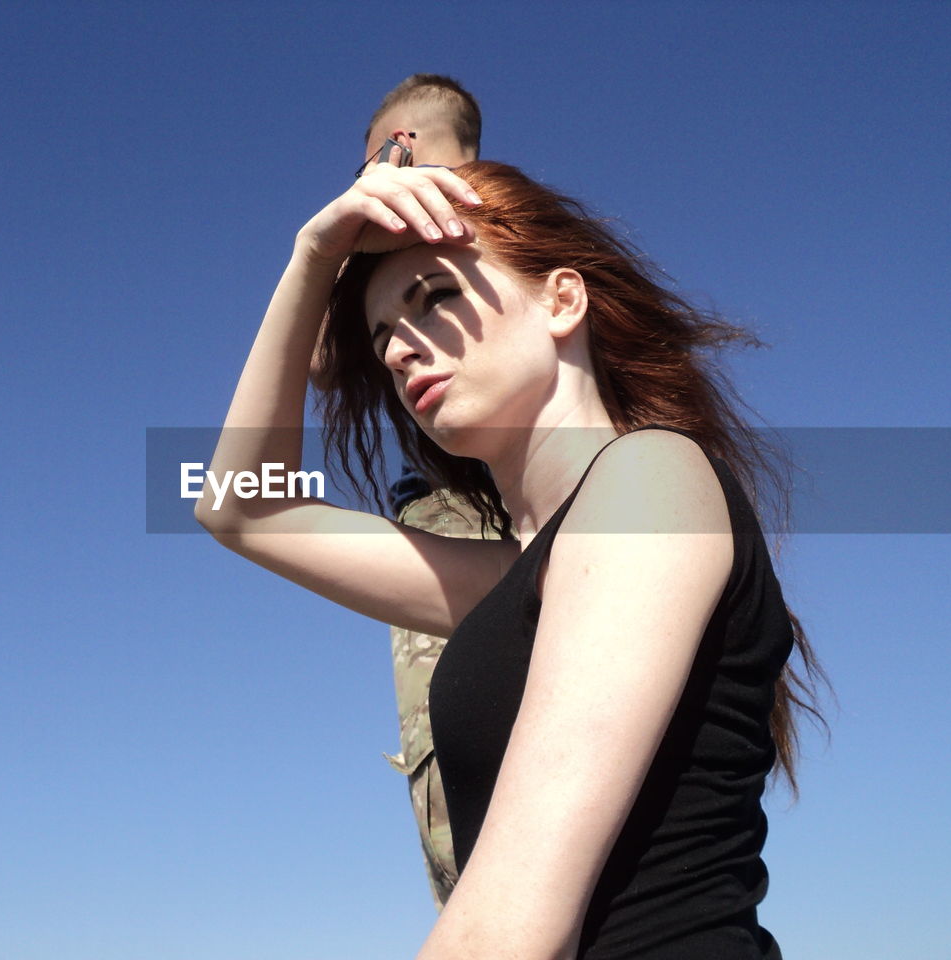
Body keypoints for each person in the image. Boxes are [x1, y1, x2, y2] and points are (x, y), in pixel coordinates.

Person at [196, 157, 821, 957]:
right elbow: (243, 508)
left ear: (562, 300)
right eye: (383, 336)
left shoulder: (650, 478)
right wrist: (309, 263)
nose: (397, 354)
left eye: (437, 297)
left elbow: (509, 931)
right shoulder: (518, 575)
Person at [355, 73, 489, 910]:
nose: (402, 352)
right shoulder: (397, 264)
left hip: (479, 518)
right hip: (446, 514)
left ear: (400, 142)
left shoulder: (480, 239)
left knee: (464, 765)